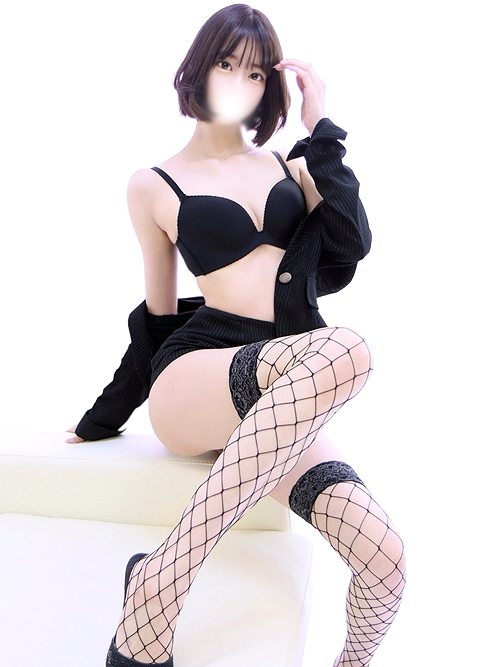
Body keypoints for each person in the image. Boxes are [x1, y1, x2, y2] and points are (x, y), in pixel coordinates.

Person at [66, 4, 406, 666]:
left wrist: (321, 129)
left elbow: (351, 241)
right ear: (199, 68)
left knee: (386, 559)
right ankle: (162, 590)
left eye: (255, 72)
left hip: (282, 388)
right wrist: (104, 416)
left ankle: (160, 579)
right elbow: (159, 314)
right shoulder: (153, 184)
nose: (239, 81)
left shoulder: (291, 166)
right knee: (348, 348)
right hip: (195, 376)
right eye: (226, 63)